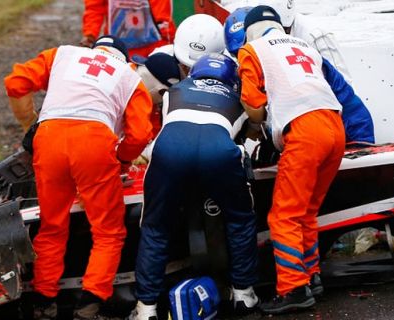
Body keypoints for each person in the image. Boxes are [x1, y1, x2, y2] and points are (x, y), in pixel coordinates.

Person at [4, 35, 153, 320]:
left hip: (49, 139)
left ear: (92, 49)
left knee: (51, 226)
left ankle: (45, 298)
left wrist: (30, 123)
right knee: (108, 230)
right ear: (125, 58)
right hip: (94, 143)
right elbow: (140, 134)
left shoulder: (62, 54)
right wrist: (121, 159)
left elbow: (15, 82)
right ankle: (91, 300)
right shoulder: (129, 76)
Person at [127, 53, 259, 320]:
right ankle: (244, 295)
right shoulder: (240, 99)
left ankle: (146, 308)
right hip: (218, 152)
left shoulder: (173, 92)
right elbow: (254, 138)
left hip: (171, 151)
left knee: (155, 227)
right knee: (240, 219)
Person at [238, 6, 345, 314]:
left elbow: (253, 104)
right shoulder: (305, 47)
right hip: (335, 127)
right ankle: (312, 276)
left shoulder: (251, 50)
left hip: (305, 130)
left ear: (250, 31)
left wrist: (258, 124)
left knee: (283, 215)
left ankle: (293, 288)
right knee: (307, 211)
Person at [223, 5, 374, 144]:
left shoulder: (309, 40)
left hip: (341, 126)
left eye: (242, 51)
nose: (241, 59)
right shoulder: (273, 54)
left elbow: (344, 93)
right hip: (314, 128)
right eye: (236, 55)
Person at [80, 0, 176, 58]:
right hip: (117, 50)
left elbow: (163, 17)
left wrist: (167, 43)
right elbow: (95, 8)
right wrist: (90, 35)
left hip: (153, 49)